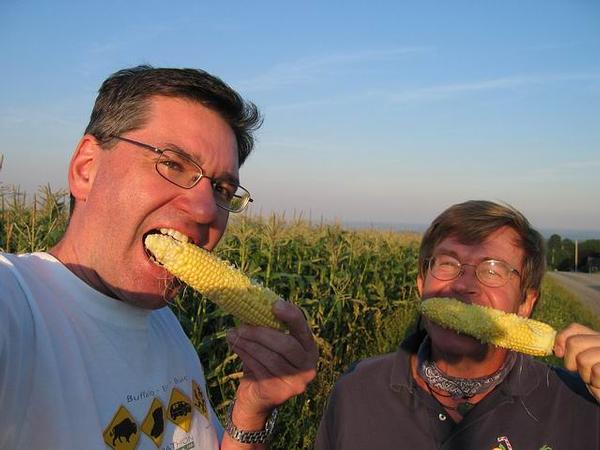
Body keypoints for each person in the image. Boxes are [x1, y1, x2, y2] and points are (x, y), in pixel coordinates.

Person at [0, 65, 318, 450]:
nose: (205, 209)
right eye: (172, 163)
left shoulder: (165, 325)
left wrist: (251, 412)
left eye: (221, 188)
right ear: (86, 169)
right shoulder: (17, 306)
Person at [316, 200, 600, 450]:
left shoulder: (578, 403)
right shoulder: (355, 392)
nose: (463, 285)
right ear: (421, 284)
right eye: (448, 263)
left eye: (492, 269)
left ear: (526, 302)